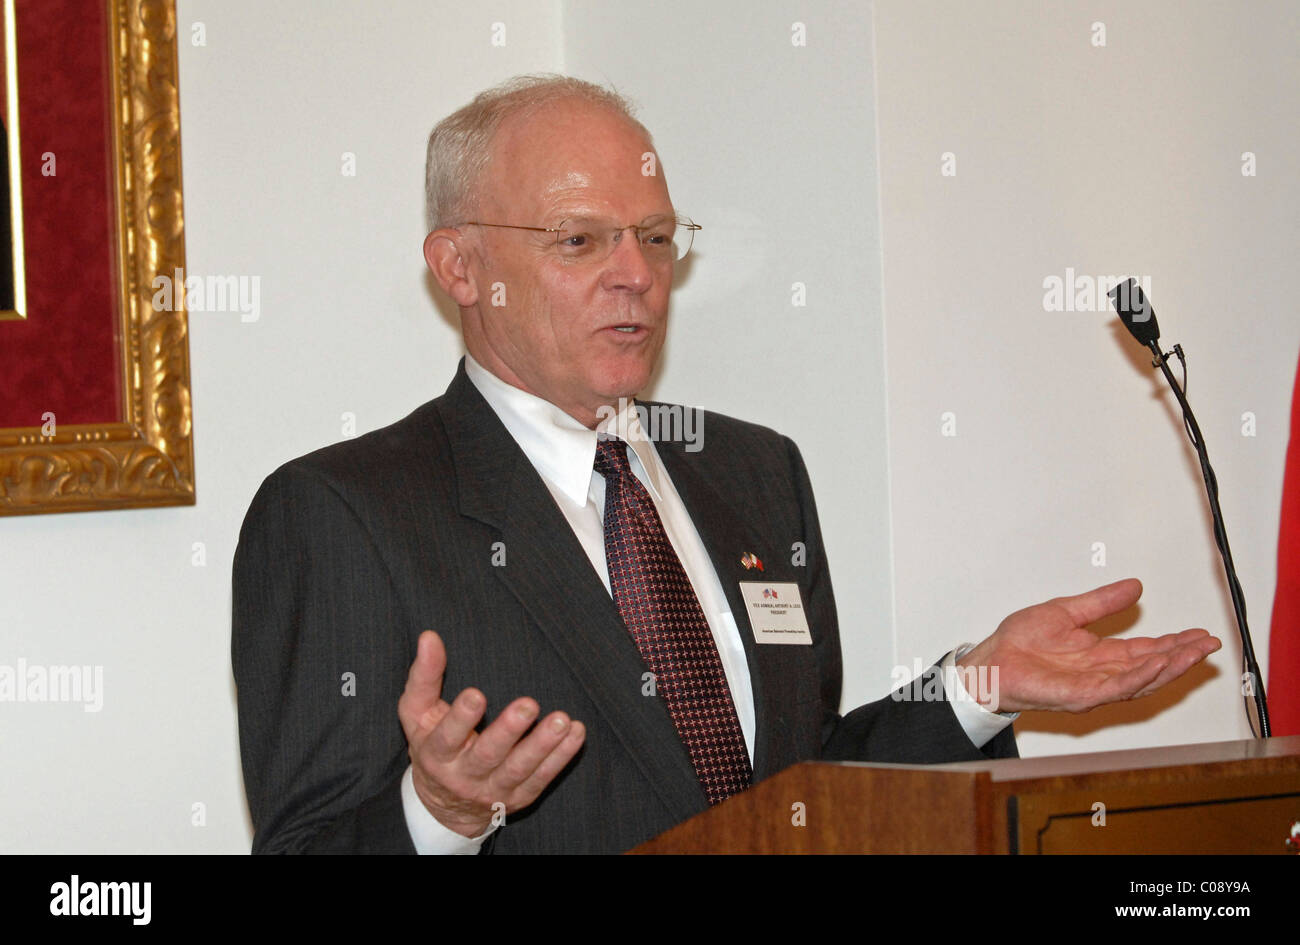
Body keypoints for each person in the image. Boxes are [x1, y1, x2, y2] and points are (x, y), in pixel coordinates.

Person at [232, 75, 1221, 854]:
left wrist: (976, 683)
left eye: (655, 238)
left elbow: (797, 788)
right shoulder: (342, 513)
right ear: (459, 267)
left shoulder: (752, 472)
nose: (635, 274)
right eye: (579, 239)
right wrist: (439, 810)